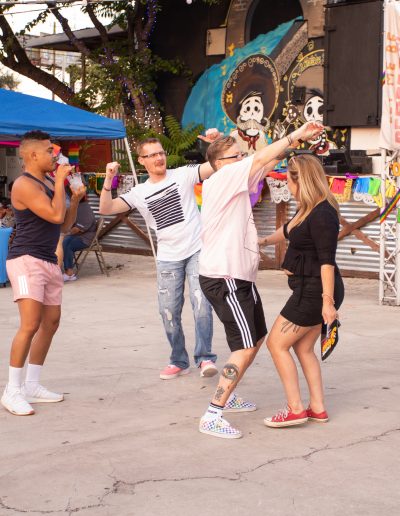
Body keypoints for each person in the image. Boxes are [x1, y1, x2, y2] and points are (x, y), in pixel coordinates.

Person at [197, 121, 324, 439]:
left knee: (254, 340)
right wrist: (296, 135)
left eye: (242, 155)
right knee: (243, 346)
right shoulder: (222, 179)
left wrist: (294, 144)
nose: (242, 159)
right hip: (224, 277)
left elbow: (266, 161)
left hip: (240, 277)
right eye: (235, 156)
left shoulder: (235, 177)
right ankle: (213, 414)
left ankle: (229, 393)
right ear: (219, 164)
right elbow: (261, 158)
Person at [99, 137, 218, 379]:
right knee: (168, 311)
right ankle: (179, 360)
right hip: (168, 258)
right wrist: (109, 179)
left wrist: (216, 144)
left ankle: (205, 357)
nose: (159, 158)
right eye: (152, 155)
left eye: (161, 153)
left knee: (202, 305)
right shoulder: (139, 192)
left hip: (197, 250)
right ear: (141, 161)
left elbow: (216, 165)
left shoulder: (183, 174)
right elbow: (106, 208)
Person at [260, 154, 344, 428]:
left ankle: (295, 408)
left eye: (288, 179)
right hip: (309, 288)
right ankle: (317, 407)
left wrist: (327, 303)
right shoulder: (308, 208)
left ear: (300, 180)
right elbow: (287, 231)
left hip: (314, 292)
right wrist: (261, 241)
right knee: (304, 348)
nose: (286, 183)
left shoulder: (322, 214)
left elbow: (327, 262)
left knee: (276, 344)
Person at [1, 130, 73, 416]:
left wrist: (76, 197)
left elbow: (63, 224)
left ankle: (31, 385)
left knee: (51, 322)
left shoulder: (48, 182)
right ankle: (12, 390)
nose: (55, 156)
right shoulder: (23, 184)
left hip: (47, 260)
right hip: (26, 259)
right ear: (32, 155)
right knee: (30, 324)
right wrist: (60, 182)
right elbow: (54, 215)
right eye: (48, 151)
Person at [62, 190, 97, 281]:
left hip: (85, 238)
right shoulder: (77, 206)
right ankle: (59, 269)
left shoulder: (84, 208)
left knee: (67, 245)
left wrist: (64, 234)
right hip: (77, 236)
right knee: (63, 242)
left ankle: (69, 273)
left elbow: (78, 229)